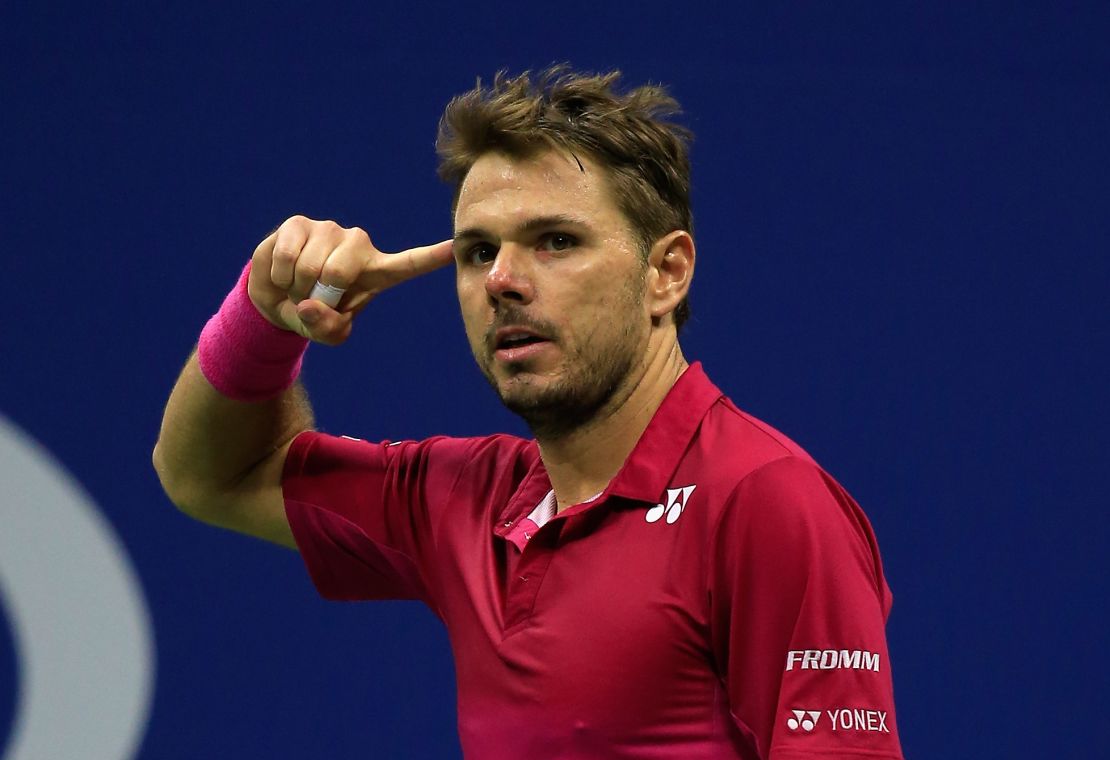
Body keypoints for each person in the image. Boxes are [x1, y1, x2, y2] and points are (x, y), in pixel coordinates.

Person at [154, 67, 904, 759]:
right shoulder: (462, 501)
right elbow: (211, 475)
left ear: (666, 274)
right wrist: (265, 313)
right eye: (479, 252)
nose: (504, 281)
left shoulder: (764, 501)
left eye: (555, 241)